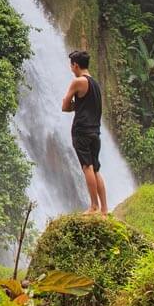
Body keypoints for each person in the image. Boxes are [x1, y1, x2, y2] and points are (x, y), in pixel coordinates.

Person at [61, 49, 107, 214]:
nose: (71, 69)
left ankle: (94, 205)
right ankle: (104, 209)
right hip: (95, 131)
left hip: (82, 131)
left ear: (76, 65)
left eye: (71, 66)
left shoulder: (78, 82)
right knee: (95, 168)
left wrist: (73, 105)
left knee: (87, 167)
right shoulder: (95, 83)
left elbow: (65, 106)